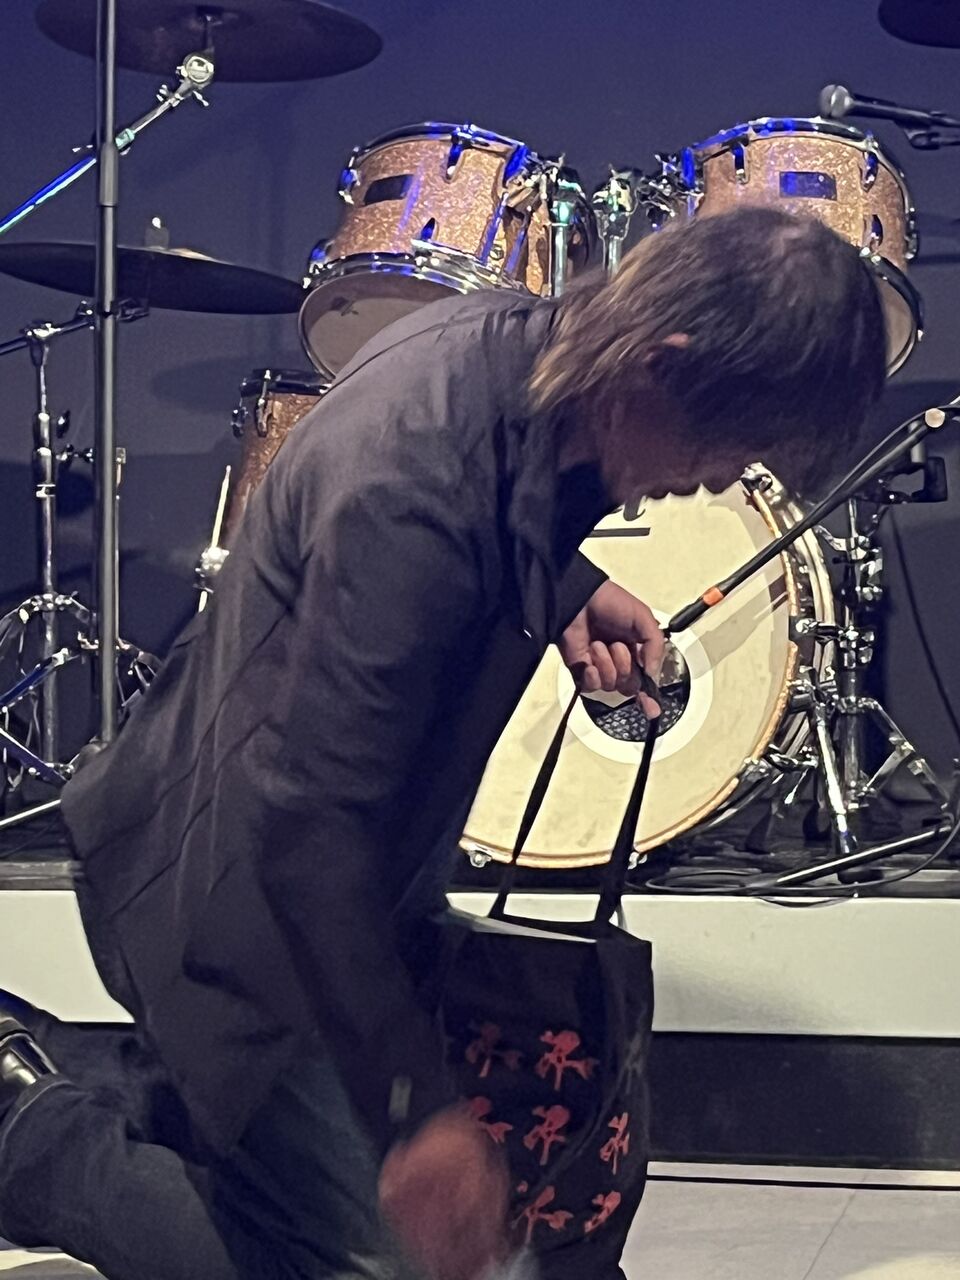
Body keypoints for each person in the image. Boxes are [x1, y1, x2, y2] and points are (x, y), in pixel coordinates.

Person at [0, 206, 885, 1280]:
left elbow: (480, 518)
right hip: (231, 889)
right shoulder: (409, 483)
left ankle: (158, 1116)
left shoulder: (532, 355)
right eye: (722, 447)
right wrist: (417, 1114)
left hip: (339, 862)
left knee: (319, 1198)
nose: (712, 480)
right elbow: (307, 836)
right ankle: (28, 1128)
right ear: (662, 360)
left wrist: (569, 585)